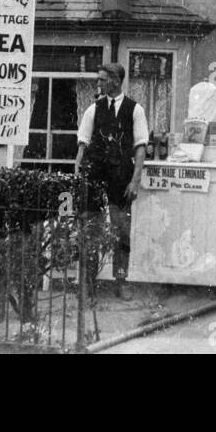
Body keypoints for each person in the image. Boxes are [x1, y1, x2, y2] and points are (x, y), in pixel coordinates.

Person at [75, 63, 150, 299]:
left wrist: (135, 181)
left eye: (102, 80)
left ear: (116, 81)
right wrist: (79, 177)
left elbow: (140, 149)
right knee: (90, 229)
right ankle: (88, 283)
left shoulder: (135, 110)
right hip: (95, 178)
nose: (98, 84)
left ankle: (121, 281)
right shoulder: (93, 110)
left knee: (121, 230)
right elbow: (82, 146)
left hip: (121, 179)